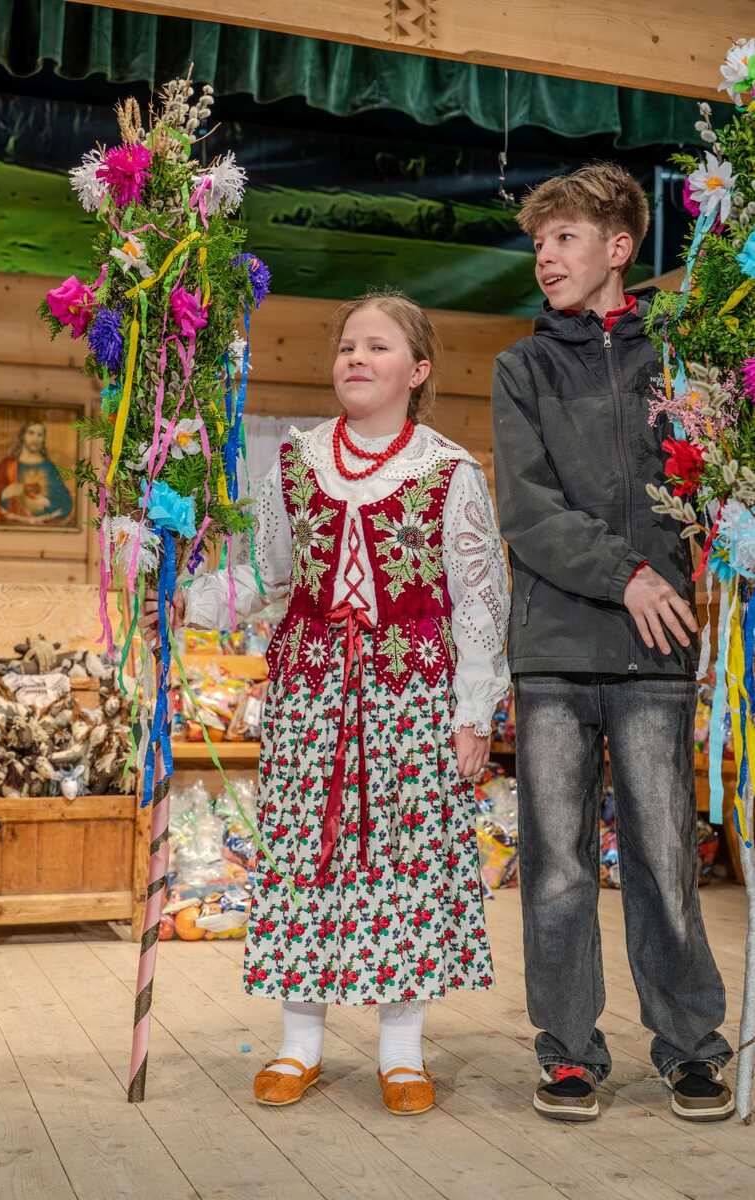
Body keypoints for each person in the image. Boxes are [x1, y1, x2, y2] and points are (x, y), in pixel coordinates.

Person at [145, 290, 510, 1114]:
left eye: (377, 347)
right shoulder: (297, 462)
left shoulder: (450, 472)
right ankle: (298, 1042)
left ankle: (401, 1052)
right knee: (304, 857)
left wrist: (471, 712)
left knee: (404, 863)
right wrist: (187, 598)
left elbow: (478, 603)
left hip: (410, 695)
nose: (356, 358)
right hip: (310, 695)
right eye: (347, 345)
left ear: (417, 371)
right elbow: (268, 574)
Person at [491, 163, 734, 1123]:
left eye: (563, 238)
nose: (545, 257)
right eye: (537, 242)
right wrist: (625, 574)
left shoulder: (678, 363)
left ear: (618, 248)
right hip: (553, 652)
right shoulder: (521, 369)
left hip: (655, 657)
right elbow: (526, 510)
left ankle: (690, 1046)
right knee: (555, 866)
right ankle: (566, 1052)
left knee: (664, 859)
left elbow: (711, 486)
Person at [0, 419, 73, 526]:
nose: (35, 439)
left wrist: (48, 502)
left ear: (43, 439)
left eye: (40, 435)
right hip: (11, 526)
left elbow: (65, 502)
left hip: (44, 527)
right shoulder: (7, 465)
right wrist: (4, 493)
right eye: (31, 433)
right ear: (23, 436)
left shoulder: (49, 468)